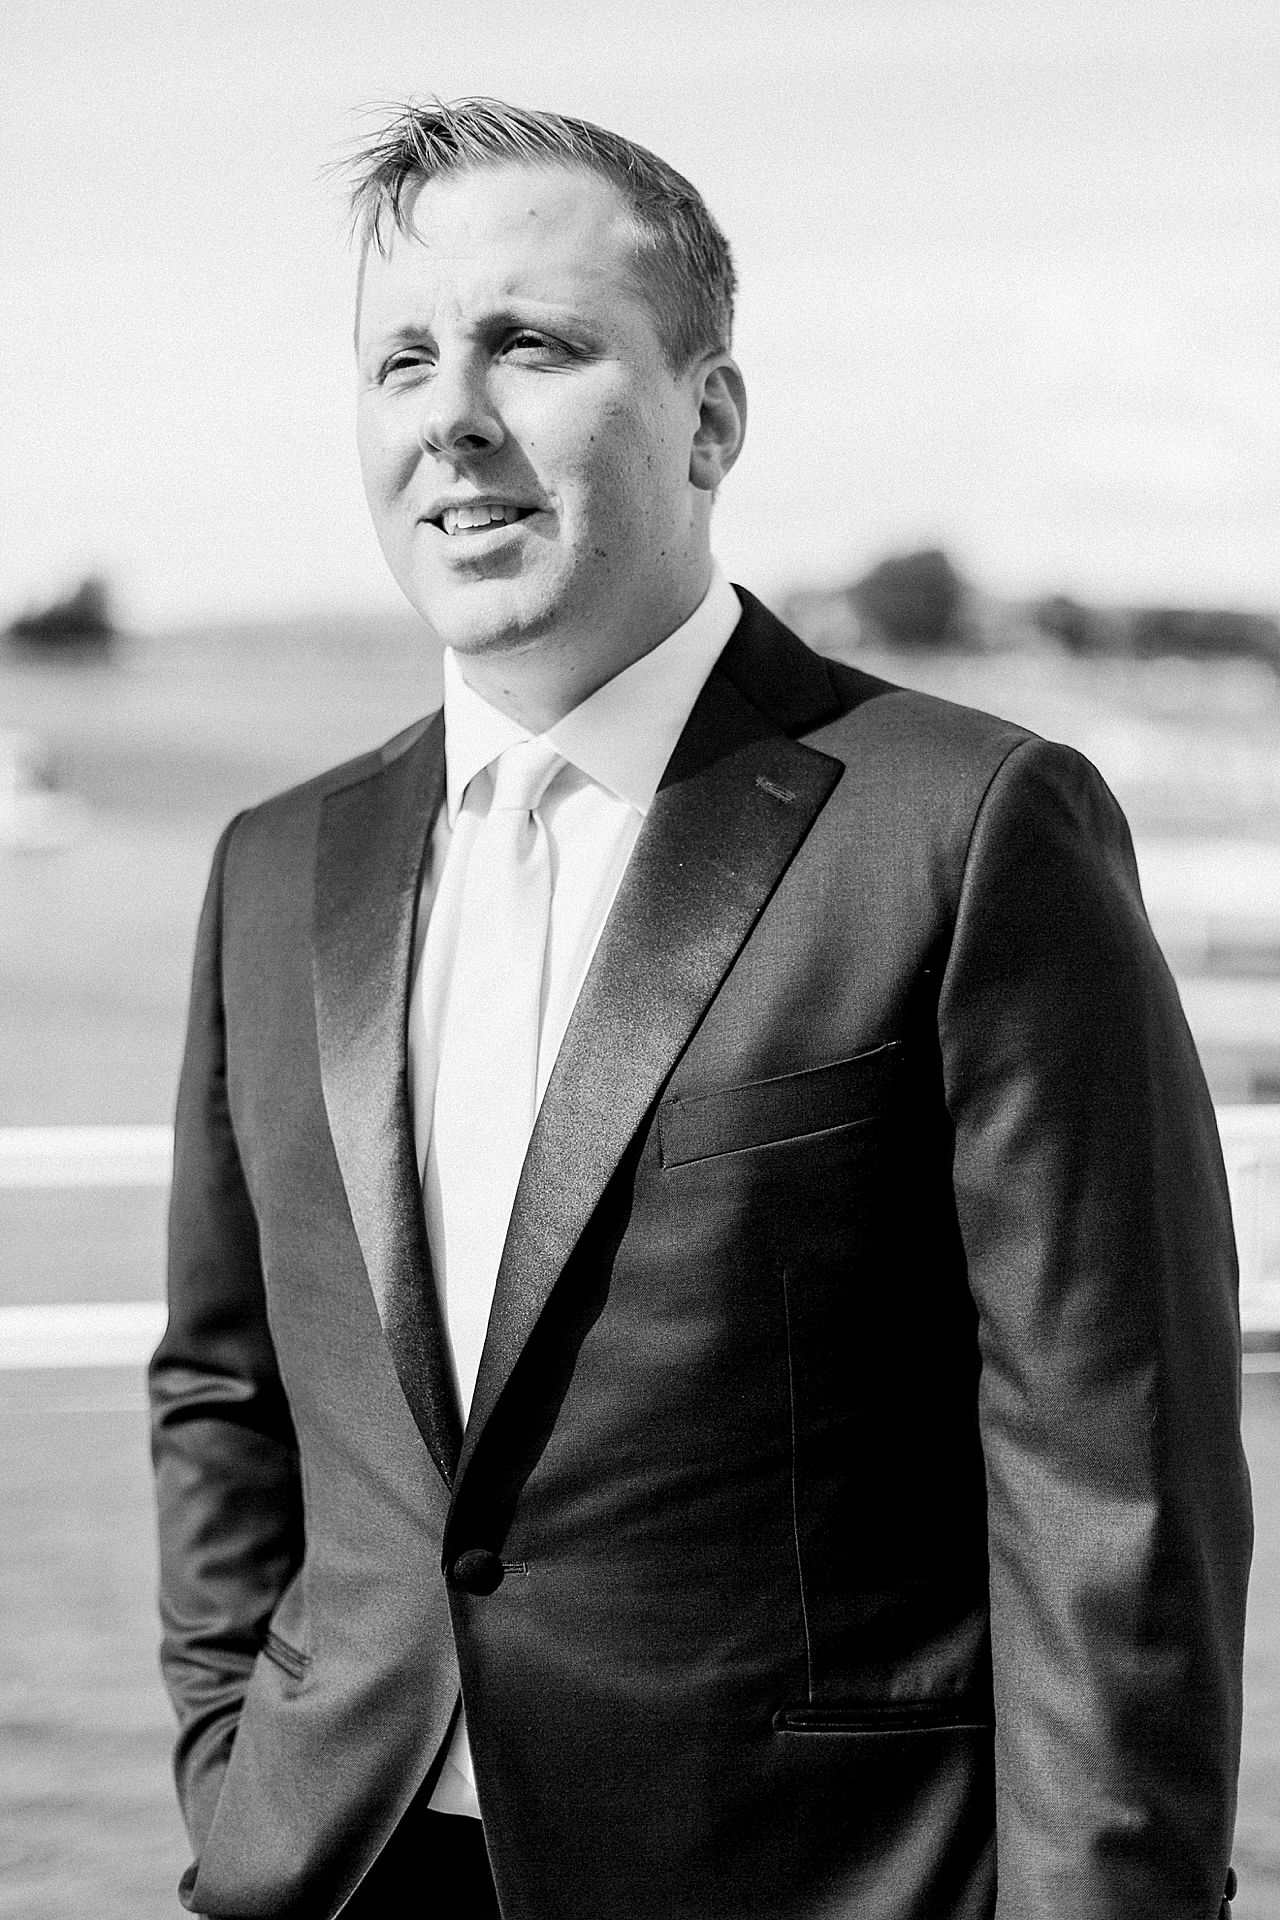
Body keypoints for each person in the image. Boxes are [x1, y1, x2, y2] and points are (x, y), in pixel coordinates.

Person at [150, 98, 1252, 1920]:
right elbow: (222, 1384)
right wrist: (228, 1764)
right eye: (401, 358)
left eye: (535, 342)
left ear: (712, 419)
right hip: (337, 1866)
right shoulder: (279, 868)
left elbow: (1110, 1474)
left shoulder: (968, 825)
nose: (453, 416)